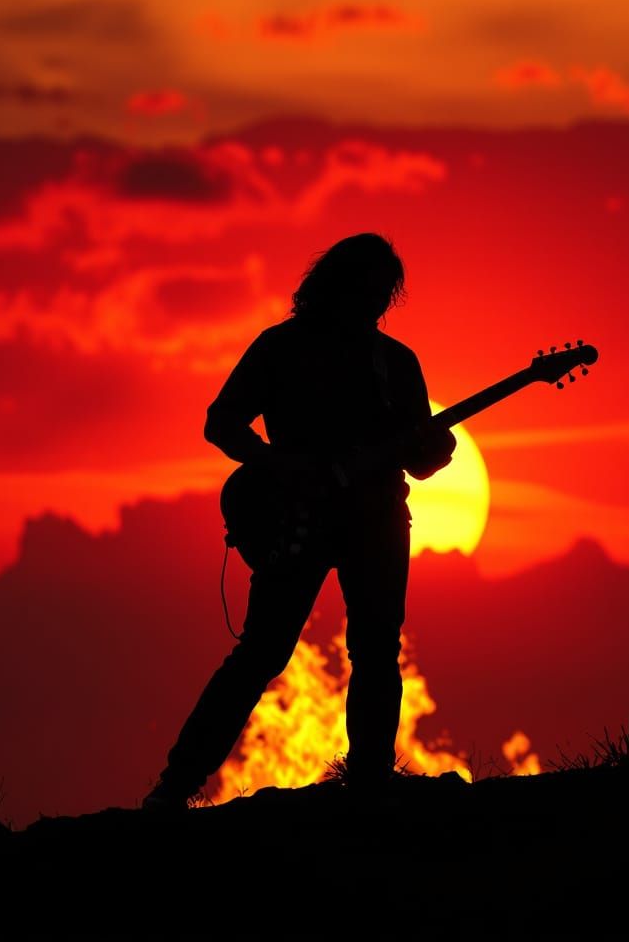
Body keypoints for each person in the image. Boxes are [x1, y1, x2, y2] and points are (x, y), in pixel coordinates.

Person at [142, 232, 456, 811]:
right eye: (363, 285)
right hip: (298, 519)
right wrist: (278, 463)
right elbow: (222, 422)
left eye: (382, 289)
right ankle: (176, 786)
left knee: (376, 648)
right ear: (334, 284)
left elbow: (419, 457)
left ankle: (368, 783)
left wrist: (438, 448)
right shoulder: (280, 348)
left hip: (378, 520)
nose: (372, 299)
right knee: (263, 652)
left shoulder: (397, 362)